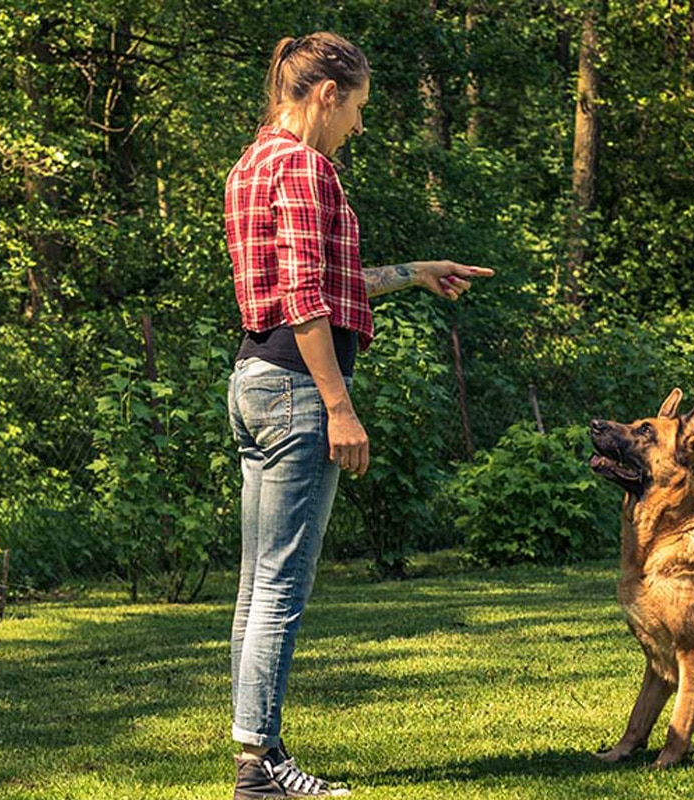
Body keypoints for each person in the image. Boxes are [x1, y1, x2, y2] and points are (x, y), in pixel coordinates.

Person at [224, 31, 493, 800]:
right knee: (281, 586)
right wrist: (340, 407)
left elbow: (324, 283)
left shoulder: (252, 165)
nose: (360, 128)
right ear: (327, 94)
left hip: (253, 378)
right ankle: (260, 769)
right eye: (360, 110)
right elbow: (307, 298)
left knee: (255, 586)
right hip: (297, 390)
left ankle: (256, 750)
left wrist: (417, 273)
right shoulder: (307, 168)